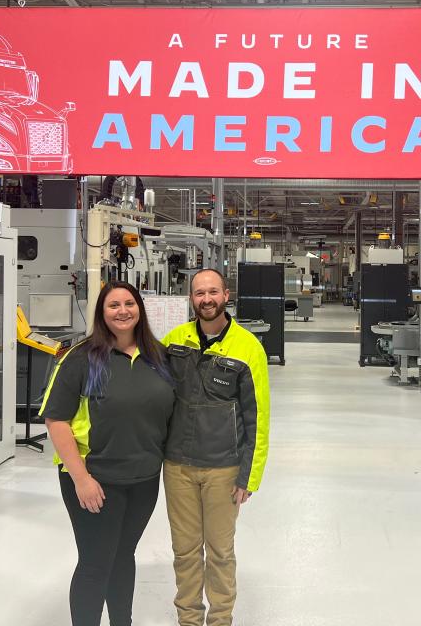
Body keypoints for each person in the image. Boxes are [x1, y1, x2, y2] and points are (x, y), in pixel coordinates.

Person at [40, 281, 175, 626]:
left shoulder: (159, 357)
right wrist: (81, 479)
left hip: (144, 479)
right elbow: (56, 420)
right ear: (102, 313)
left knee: (123, 556)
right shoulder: (82, 358)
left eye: (129, 303)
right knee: (96, 562)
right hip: (95, 479)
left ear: (140, 309)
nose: (123, 311)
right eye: (113, 305)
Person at [161, 268, 271, 626]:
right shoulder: (174, 341)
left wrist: (248, 475)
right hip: (177, 466)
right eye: (198, 293)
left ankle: (221, 620)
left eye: (212, 292)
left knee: (221, 552)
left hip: (223, 468)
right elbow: (154, 400)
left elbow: (258, 418)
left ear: (226, 295)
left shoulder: (248, 347)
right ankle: (189, 619)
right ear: (191, 298)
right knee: (185, 551)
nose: (206, 299)